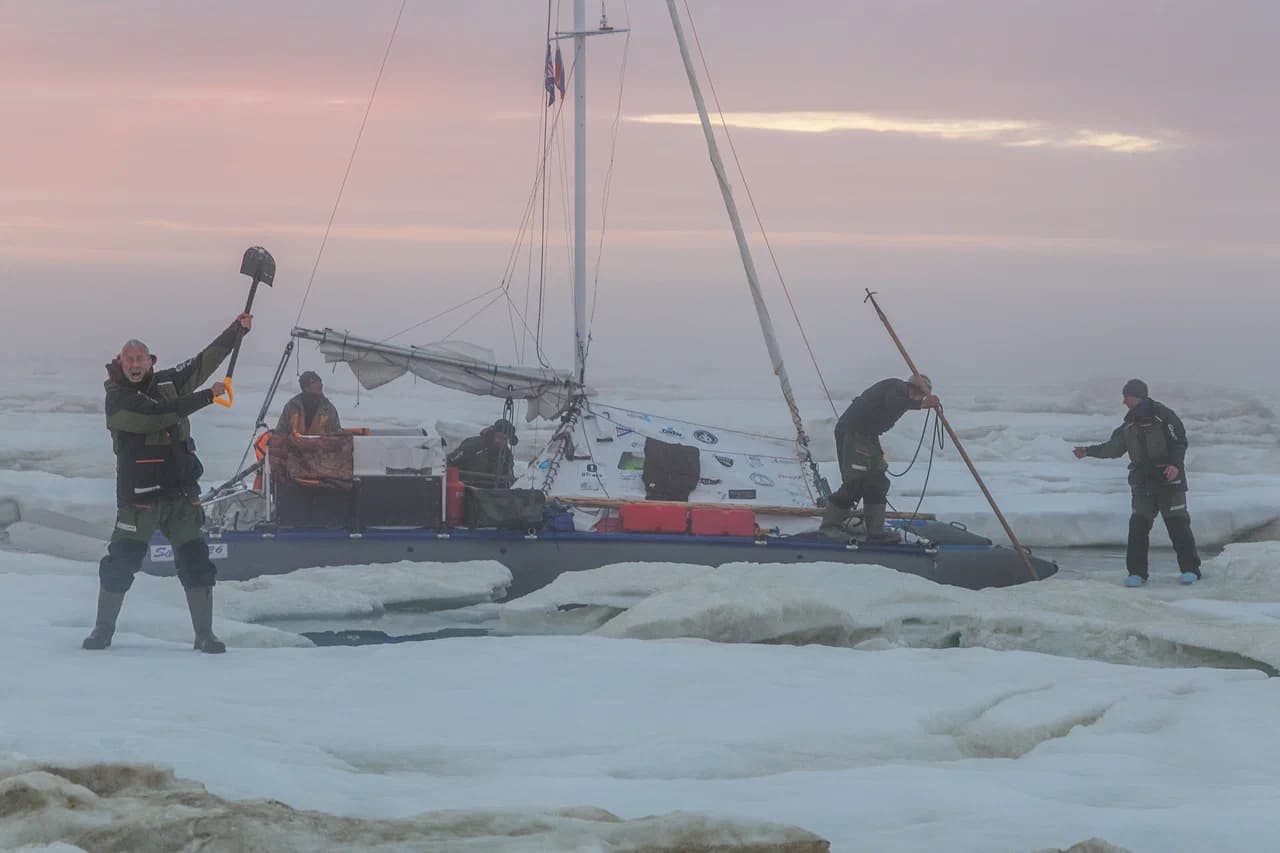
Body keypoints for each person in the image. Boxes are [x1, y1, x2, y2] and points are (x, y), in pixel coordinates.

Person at [82, 313, 252, 654]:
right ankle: (102, 630)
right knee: (120, 563)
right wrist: (206, 397)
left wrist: (237, 331)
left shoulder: (168, 382)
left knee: (196, 561)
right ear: (121, 363)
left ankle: (205, 635)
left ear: (151, 361)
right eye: (129, 360)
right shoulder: (118, 398)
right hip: (139, 499)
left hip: (181, 496)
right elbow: (155, 417)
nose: (134, 365)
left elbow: (202, 363)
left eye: (140, 359)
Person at [1074, 379, 1201, 587]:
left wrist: (1175, 465)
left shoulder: (1164, 416)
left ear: (1138, 396)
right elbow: (1113, 448)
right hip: (1142, 484)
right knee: (1138, 528)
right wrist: (1088, 451)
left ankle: (1190, 570)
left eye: (1126, 397)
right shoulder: (1128, 425)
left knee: (1178, 527)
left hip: (1169, 481)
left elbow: (1179, 442)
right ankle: (1137, 573)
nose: (1123, 401)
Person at [820, 374, 941, 542]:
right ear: (919, 391)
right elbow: (893, 402)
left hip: (868, 437)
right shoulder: (897, 387)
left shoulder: (902, 395)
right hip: (853, 434)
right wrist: (921, 405)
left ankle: (875, 531)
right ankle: (829, 528)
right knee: (855, 482)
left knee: (878, 482)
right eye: (921, 396)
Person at [447, 418, 519, 487]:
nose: (501, 442)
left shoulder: (507, 455)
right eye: (499, 437)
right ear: (492, 434)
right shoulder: (473, 445)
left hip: (491, 492)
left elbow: (509, 477)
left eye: (505, 439)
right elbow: (449, 461)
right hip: (465, 489)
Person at [276, 370, 343, 435]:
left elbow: (337, 434)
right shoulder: (292, 406)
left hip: (320, 443)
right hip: (293, 442)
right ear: (305, 387)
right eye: (314, 382)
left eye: (320, 382)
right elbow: (280, 432)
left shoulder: (328, 409)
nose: (320, 385)